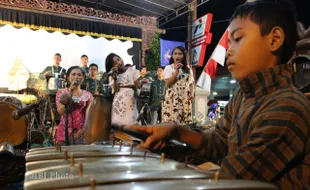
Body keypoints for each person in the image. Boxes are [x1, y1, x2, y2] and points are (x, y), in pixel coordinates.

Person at [126, 0, 310, 188]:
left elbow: (232, 179)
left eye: (237, 39)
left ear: (274, 39)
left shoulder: (287, 107)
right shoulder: (242, 96)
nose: (228, 52)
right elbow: (218, 143)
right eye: (228, 43)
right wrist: (175, 132)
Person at [55, 66, 93, 145]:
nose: (76, 77)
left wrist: (83, 130)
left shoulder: (88, 95)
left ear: (83, 78)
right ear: (68, 77)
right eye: (73, 74)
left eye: (79, 75)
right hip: (64, 133)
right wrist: (70, 91)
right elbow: (61, 111)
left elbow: (89, 115)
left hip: (81, 133)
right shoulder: (61, 92)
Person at [106, 53, 142, 126]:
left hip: (130, 100)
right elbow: (115, 90)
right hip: (118, 103)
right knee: (118, 124)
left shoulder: (132, 70)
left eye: (118, 59)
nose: (119, 63)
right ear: (112, 67)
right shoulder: (112, 75)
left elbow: (137, 85)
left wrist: (142, 82)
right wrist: (115, 78)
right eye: (115, 63)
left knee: (132, 123)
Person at [162, 46, 195, 125]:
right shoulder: (168, 68)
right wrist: (176, 71)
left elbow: (191, 83)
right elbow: (167, 83)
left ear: (183, 56)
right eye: (175, 54)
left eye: (180, 54)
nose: (177, 56)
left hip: (184, 97)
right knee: (172, 121)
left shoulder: (188, 69)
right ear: (172, 56)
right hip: (172, 97)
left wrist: (192, 93)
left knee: (184, 121)